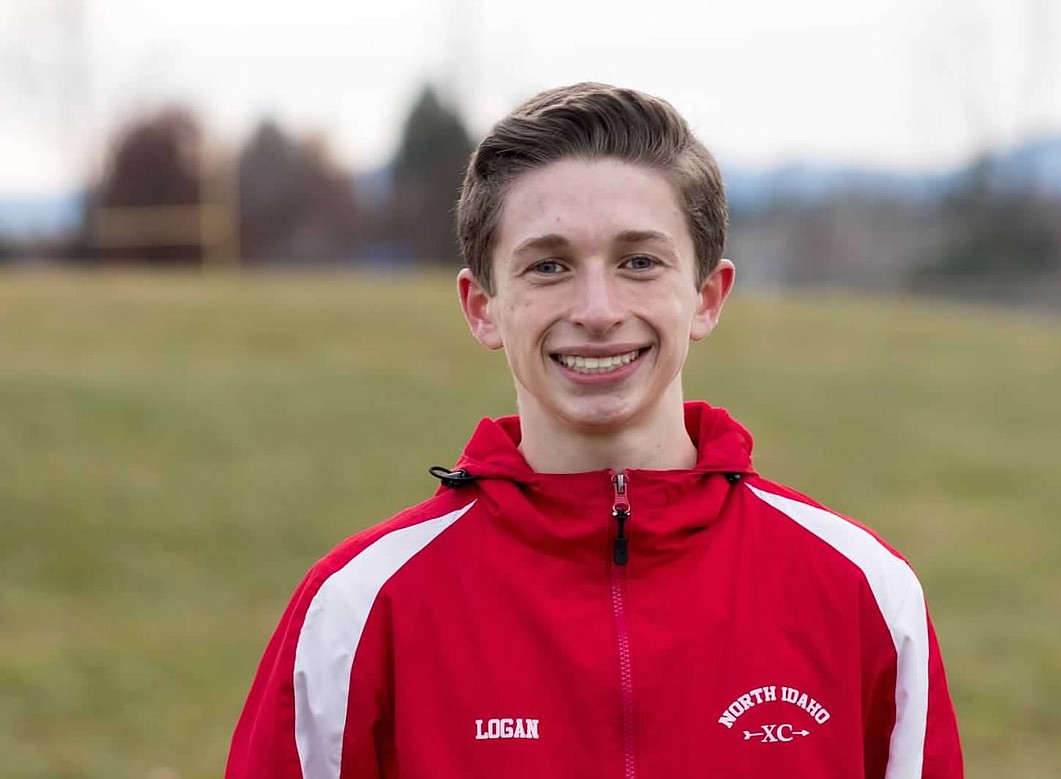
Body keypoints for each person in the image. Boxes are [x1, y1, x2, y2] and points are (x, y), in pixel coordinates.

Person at [226, 82, 963, 778]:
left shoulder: (864, 594)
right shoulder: (358, 612)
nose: (599, 307)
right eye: (549, 266)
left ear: (706, 296)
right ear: (482, 307)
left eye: (639, 261)